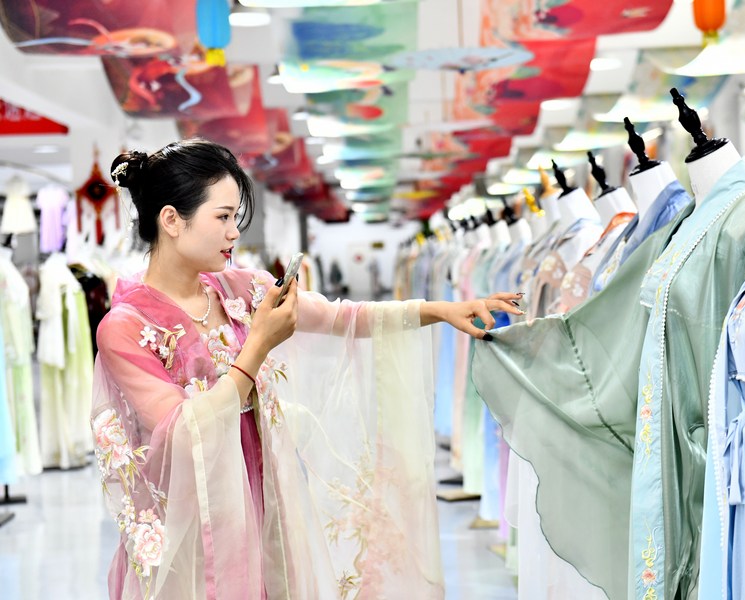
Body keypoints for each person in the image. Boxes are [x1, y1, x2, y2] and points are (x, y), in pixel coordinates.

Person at [92, 138, 522, 600]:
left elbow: (341, 317)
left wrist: (441, 310)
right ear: (172, 219)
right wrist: (258, 344)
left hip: (262, 500)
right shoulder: (125, 328)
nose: (234, 233)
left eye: (236, 218)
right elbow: (182, 432)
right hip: (191, 524)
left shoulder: (240, 290)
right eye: (223, 217)